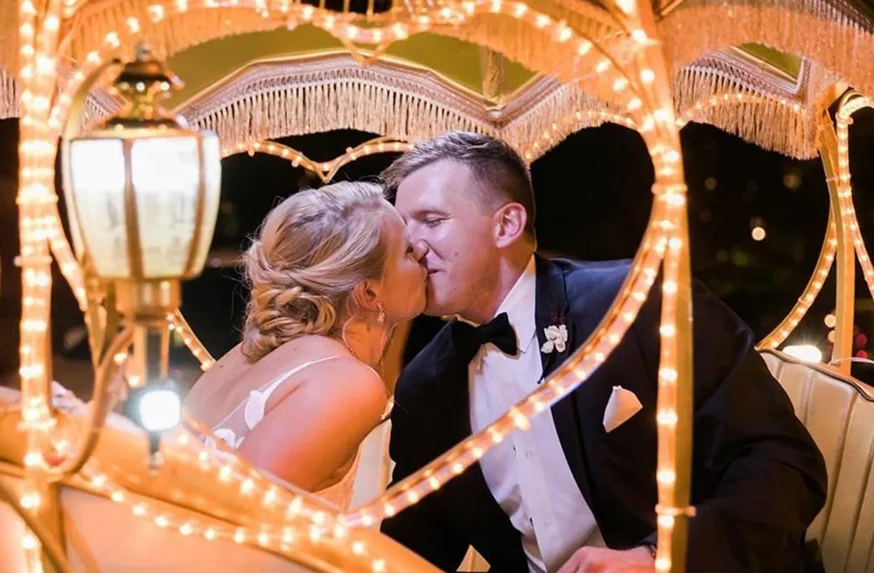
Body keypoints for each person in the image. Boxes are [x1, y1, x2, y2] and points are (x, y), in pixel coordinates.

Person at [378, 131, 827, 572]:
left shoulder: (638, 304)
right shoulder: (425, 387)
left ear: (506, 225)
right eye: (404, 228)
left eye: (432, 220)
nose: (412, 246)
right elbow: (411, 553)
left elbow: (783, 464)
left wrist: (657, 559)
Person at [183, 181, 426, 510]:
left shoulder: (241, 356)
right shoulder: (346, 382)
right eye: (408, 251)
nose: (423, 252)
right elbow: (234, 520)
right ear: (369, 293)